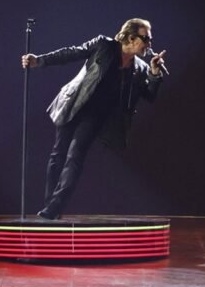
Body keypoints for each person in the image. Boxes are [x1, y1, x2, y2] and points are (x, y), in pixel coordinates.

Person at [22, 18, 167, 219]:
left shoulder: (140, 68)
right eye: (146, 39)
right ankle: (50, 208)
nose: (149, 44)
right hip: (75, 103)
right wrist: (40, 60)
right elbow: (72, 52)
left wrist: (154, 73)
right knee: (58, 154)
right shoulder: (104, 45)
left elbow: (149, 96)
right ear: (131, 38)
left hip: (95, 116)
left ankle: (53, 208)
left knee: (75, 156)